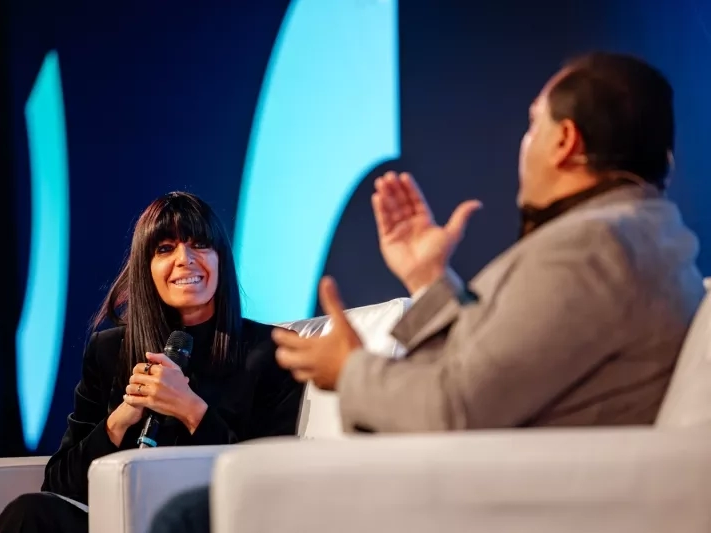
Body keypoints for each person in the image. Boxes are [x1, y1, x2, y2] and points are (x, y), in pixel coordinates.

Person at [147, 52, 705, 532]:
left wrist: (351, 369)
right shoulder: (641, 235)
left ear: (565, 141)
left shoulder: (592, 250)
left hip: (499, 496)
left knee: (188, 518)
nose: (523, 144)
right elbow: (502, 367)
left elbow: (454, 406)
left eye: (532, 126)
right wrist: (429, 283)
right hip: (502, 476)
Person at [0, 191, 304, 533]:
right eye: (165, 249)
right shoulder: (109, 350)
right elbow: (59, 484)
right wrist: (120, 420)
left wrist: (191, 410)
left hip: (207, 521)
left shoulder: (271, 350)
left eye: (200, 245)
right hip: (123, 521)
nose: (185, 259)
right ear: (147, 267)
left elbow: (270, 481)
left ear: (220, 259)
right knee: (29, 513)